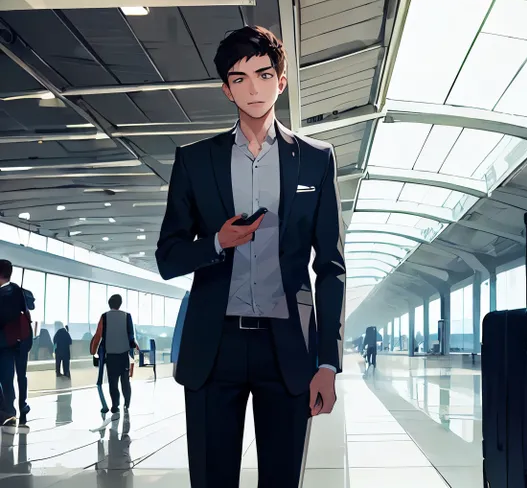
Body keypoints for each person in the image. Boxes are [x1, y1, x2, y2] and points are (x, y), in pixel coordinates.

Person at [156, 25, 346, 488]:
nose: (253, 88)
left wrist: (328, 363)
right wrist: (217, 242)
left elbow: (330, 267)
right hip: (214, 347)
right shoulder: (195, 160)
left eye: (264, 74)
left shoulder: (317, 160)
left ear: (282, 81)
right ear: (226, 89)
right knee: (211, 479)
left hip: (288, 351)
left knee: (282, 480)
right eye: (239, 79)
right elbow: (169, 257)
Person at [90, 294, 139, 420]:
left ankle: (115, 405)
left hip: (110, 355)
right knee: (125, 381)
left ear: (109, 304)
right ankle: (127, 403)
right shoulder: (127, 316)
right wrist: (135, 347)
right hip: (123, 355)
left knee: (113, 382)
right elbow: (131, 336)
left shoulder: (104, 317)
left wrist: (93, 351)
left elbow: (98, 335)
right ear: (120, 303)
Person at [0, 259, 35, 427]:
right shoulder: (19, 291)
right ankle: (23, 405)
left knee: (6, 378)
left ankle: (10, 411)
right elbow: (29, 309)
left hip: (5, 343)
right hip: (22, 340)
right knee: (21, 375)